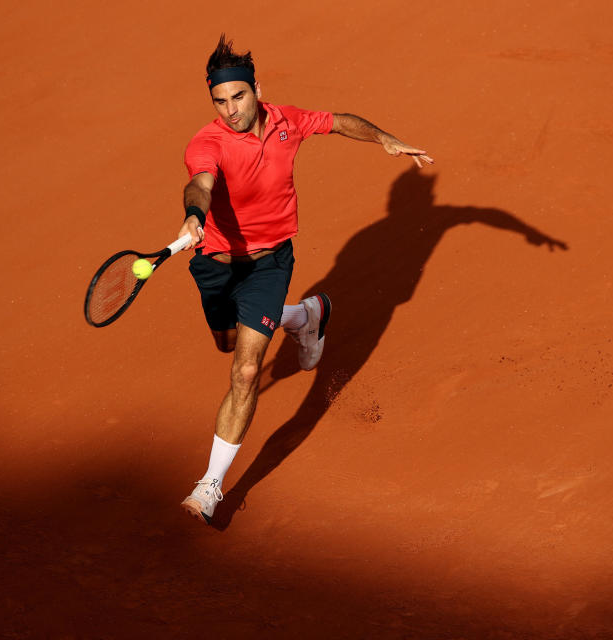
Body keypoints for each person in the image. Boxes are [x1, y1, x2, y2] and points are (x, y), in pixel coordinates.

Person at [178, 35, 433, 524]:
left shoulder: (287, 121)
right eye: (221, 101)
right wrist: (194, 214)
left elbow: (338, 122)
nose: (231, 110)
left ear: (256, 89)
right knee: (228, 343)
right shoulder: (207, 142)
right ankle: (306, 316)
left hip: (270, 262)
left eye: (239, 96)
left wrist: (384, 138)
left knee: (247, 370)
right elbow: (201, 182)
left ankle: (210, 487)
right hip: (216, 260)